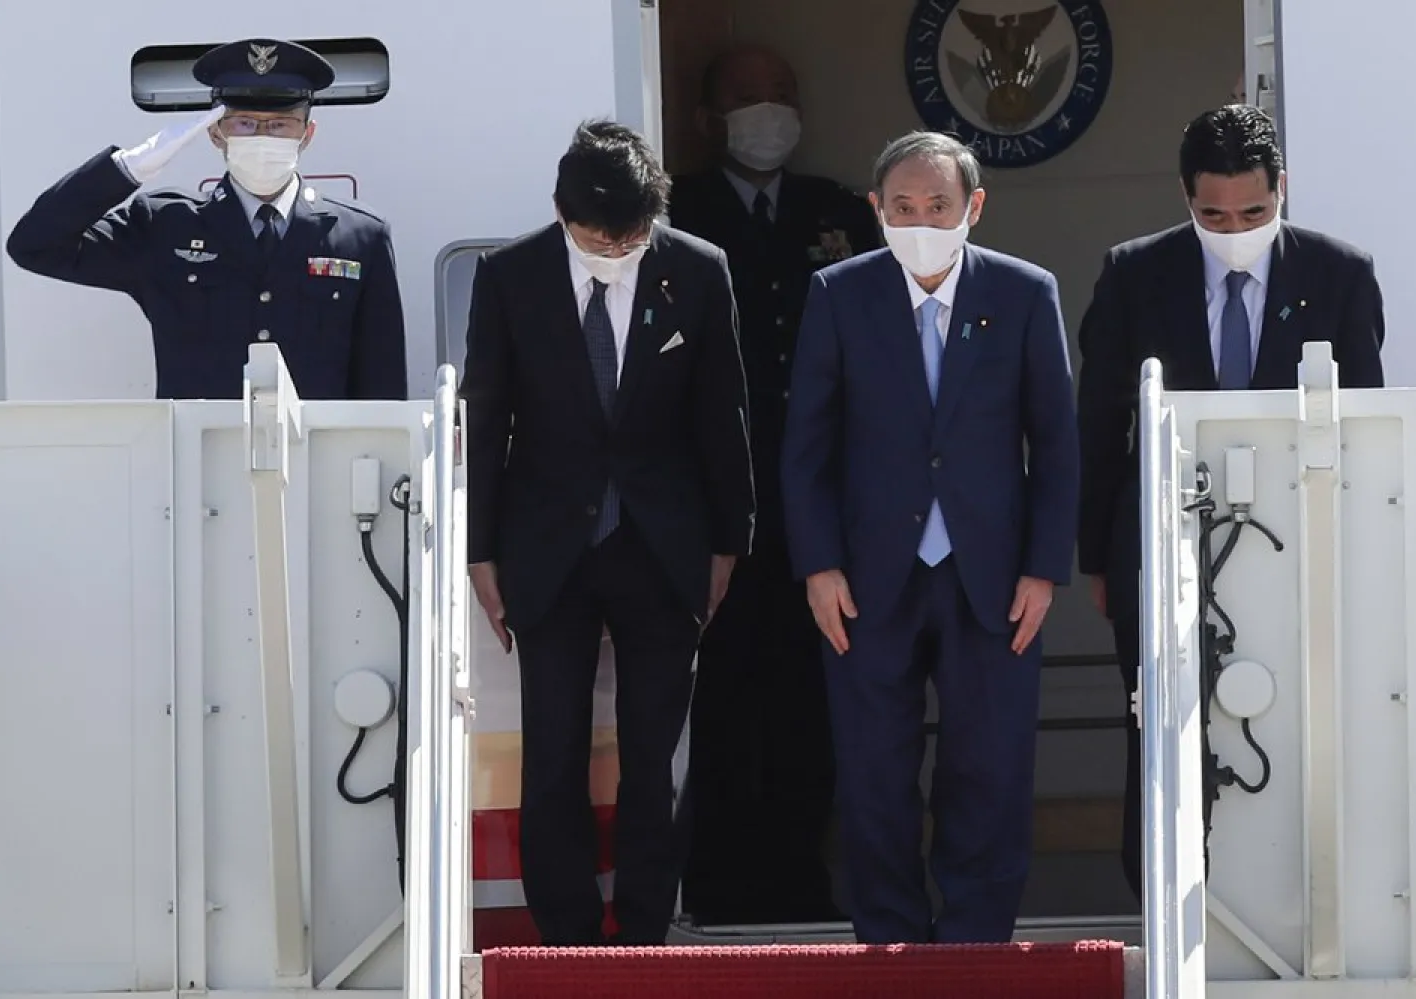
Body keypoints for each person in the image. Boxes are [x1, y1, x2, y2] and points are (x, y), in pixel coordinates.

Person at [1076, 103, 1386, 900]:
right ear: (1185, 196)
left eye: (1253, 210)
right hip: (1162, 549)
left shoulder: (1339, 273)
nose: (1234, 226)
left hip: (1299, 545)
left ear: (1283, 187)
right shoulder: (1134, 272)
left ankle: (1303, 907)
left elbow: (1363, 425)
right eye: (1212, 213)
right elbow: (1100, 422)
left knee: (1303, 726)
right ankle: (1161, 906)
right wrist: (1097, 557)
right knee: (1160, 732)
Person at [459, 119, 754, 946]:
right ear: (561, 213)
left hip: (665, 547)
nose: (614, 247)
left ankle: (644, 931)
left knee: (654, 756)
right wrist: (481, 550)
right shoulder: (510, 274)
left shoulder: (698, 270)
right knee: (551, 752)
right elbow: (486, 417)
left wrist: (729, 541)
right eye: (598, 234)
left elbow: (722, 415)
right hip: (547, 549)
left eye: (630, 234)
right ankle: (568, 936)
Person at [780, 131, 1079, 944]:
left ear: (972, 207)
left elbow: (1056, 441)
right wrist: (818, 565)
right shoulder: (840, 294)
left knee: (989, 767)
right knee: (875, 771)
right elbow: (806, 442)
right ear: (877, 209)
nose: (919, 221)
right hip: (869, 577)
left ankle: (976, 936)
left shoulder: (1024, 293)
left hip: (994, 576)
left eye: (936, 206)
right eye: (902, 207)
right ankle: (889, 937)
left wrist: (1046, 569)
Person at [667, 43, 880, 925]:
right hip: (716, 494)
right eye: (748, 97)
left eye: (782, 94)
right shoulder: (680, 207)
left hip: (819, 497)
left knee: (810, 697)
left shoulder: (838, 209)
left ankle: (800, 872)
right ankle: (718, 877)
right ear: (710, 118)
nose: (769, 111)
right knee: (717, 693)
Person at [5, 38, 406, 400]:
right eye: (244, 123)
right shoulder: (163, 226)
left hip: (321, 465)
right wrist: (126, 169)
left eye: (280, 124)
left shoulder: (359, 236)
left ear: (308, 133)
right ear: (216, 133)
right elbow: (34, 246)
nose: (261, 136)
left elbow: (381, 381)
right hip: (195, 464)